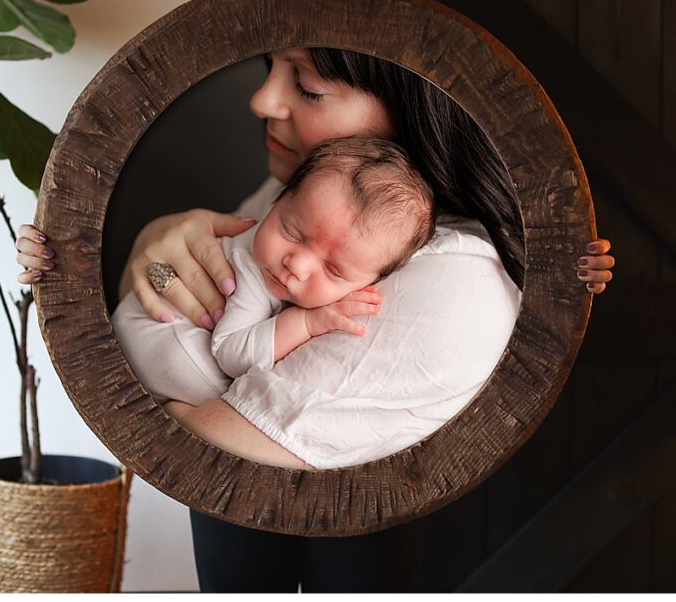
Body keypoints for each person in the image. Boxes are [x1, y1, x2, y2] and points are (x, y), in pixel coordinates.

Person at [16, 0, 616, 591]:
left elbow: (201, 432)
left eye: (307, 86)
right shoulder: (289, 187)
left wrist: (159, 359)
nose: (262, 100)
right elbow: (185, 287)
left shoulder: (454, 279)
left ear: (400, 99)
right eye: (269, 68)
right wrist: (146, 258)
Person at [112, 137, 438, 469]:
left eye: (333, 269)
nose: (296, 265)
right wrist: (306, 324)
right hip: (155, 341)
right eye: (292, 232)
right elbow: (232, 354)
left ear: (370, 282)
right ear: (277, 201)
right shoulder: (250, 269)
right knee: (203, 375)